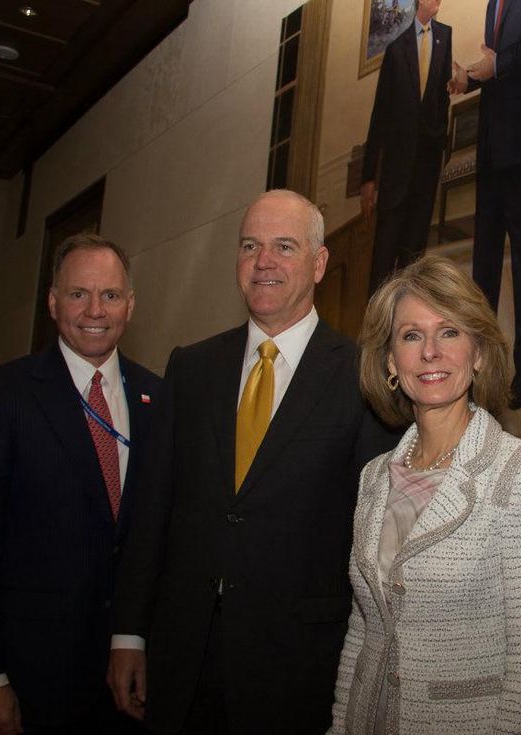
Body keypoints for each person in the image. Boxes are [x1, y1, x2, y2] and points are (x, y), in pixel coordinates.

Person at [108, 190, 397, 734]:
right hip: (183, 658)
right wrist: (129, 634)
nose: (263, 261)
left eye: (283, 246)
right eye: (250, 246)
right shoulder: (190, 367)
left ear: (318, 263)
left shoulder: (363, 377)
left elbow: (375, 536)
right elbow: (152, 511)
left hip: (299, 668)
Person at [329, 255, 521, 734]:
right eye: (412, 336)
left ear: (477, 353)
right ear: (391, 361)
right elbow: (363, 626)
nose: (430, 352)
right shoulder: (375, 477)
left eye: (449, 332)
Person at [0, 234, 161, 734]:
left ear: (130, 305)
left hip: (128, 679)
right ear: (51, 302)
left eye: (109, 295)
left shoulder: (159, 397)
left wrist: (133, 639)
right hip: (27, 677)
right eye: (77, 293)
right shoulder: (3, 396)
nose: (94, 310)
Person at [449, 0, 521, 409]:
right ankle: (479, 362)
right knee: (484, 263)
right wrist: (470, 77)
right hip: (491, 145)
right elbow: (496, 66)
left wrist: (494, 66)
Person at [361, 0, 453, 295]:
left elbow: (442, 97)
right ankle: (376, 333)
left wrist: (440, 134)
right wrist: (368, 177)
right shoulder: (395, 49)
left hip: (426, 169)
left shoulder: (445, 36)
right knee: (384, 260)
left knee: (414, 260)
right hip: (396, 173)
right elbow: (379, 115)